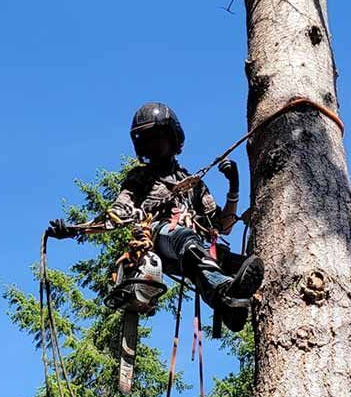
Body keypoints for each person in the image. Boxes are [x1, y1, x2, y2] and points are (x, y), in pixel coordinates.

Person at [47, 102, 263, 330]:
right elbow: (118, 212)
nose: (153, 144)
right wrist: (77, 229)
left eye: (157, 137)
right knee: (183, 238)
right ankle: (223, 295)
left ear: (172, 138)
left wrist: (233, 187)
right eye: (147, 139)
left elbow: (223, 226)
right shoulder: (139, 178)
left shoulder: (193, 184)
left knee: (231, 261)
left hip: (194, 249)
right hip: (161, 239)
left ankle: (233, 307)